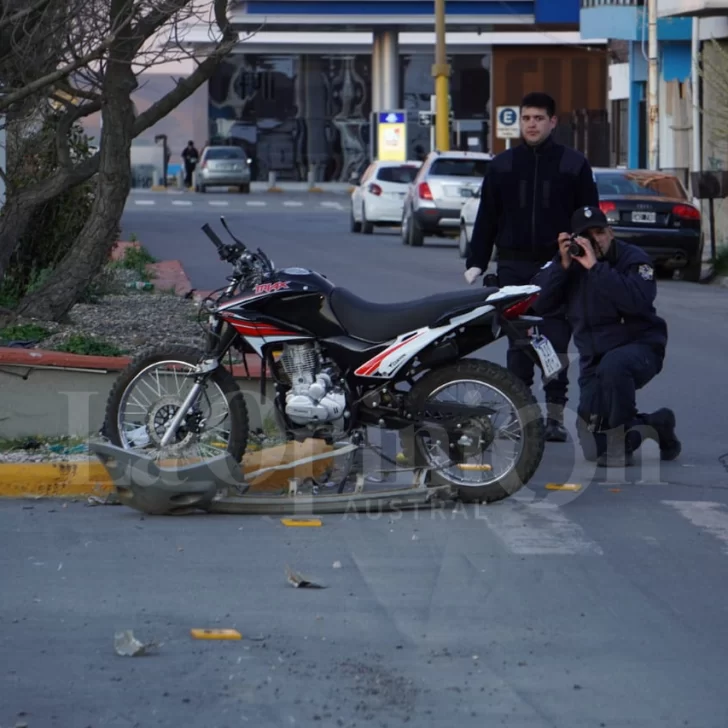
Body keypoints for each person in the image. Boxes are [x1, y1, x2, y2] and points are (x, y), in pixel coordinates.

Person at [464, 92, 599, 443]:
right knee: (519, 344)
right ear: (519, 122)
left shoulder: (573, 164)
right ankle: (518, 416)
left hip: (560, 265)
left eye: (539, 118)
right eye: (526, 119)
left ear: (553, 122)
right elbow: (487, 218)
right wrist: (477, 261)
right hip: (513, 266)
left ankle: (554, 415)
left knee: (554, 341)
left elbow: (589, 218)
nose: (532, 124)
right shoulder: (502, 165)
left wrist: (588, 257)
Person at [530, 205, 681, 468]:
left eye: (600, 232)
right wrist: (561, 265)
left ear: (610, 232)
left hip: (640, 348)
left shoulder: (634, 260)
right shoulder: (569, 264)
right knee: (591, 446)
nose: (595, 240)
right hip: (594, 359)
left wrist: (596, 268)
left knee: (615, 366)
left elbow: (637, 301)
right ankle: (657, 425)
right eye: (587, 235)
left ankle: (619, 445)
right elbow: (539, 303)